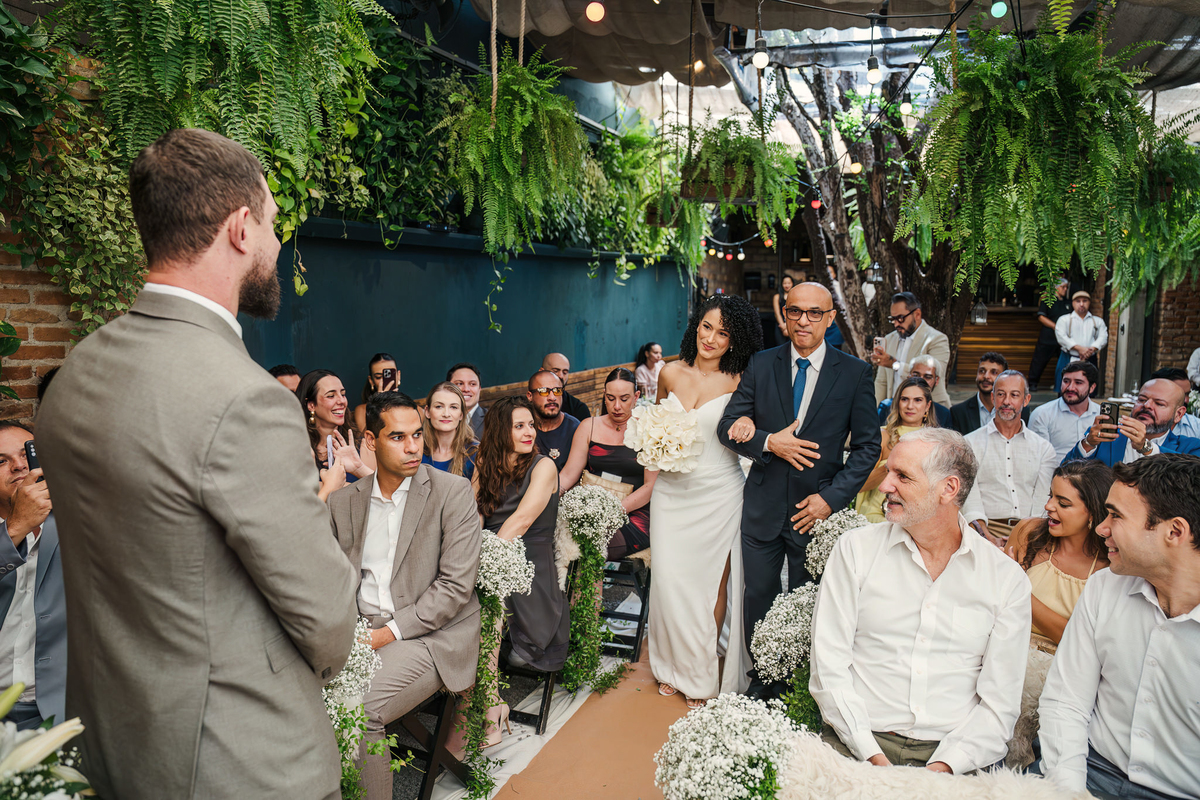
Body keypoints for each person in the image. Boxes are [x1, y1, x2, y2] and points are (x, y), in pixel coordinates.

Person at [34, 128, 358, 799]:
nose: (274, 244)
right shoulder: (245, 399)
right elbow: (328, 621)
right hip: (237, 761)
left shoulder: (75, 373)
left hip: (110, 740)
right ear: (240, 228)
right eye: (271, 225)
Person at [810, 427, 1031, 774]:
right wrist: (873, 758)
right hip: (857, 743)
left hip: (955, 754)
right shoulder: (855, 550)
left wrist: (941, 769)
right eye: (888, 472)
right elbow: (829, 669)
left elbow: (999, 705)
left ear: (949, 489)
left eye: (903, 476)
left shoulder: (1005, 579)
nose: (884, 486)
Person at [717, 283, 880, 693]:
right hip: (762, 507)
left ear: (830, 318)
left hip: (816, 510)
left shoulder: (856, 372)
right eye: (794, 312)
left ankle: (802, 688)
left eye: (813, 313)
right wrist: (770, 441)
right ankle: (763, 684)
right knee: (759, 601)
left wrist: (831, 499)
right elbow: (727, 426)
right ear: (784, 316)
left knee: (812, 602)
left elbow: (867, 447)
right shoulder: (760, 363)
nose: (803, 320)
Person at [327, 392, 481, 800]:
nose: (414, 447)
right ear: (371, 441)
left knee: (358, 711)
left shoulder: (453, 492)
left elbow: (454, 588)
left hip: (429, 636)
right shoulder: (345, 501)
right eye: (398, 437)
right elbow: (328, 581)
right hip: (360, 631)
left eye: (417, 434)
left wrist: (385, 634)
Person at [1039, 454, 1200, 800]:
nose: (1101, 528)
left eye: (1116, 515)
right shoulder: (1104, 587)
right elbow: (1065, 702)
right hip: (1090, 769)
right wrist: (1068, 792)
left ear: (1174, 531)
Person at [653, 294, 762, 707]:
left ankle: (699, 674)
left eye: (723, 332)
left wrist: (750, 421)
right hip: (670, 491)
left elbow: (755, 425)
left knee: (709, 583)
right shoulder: (669, 372)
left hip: (719, 491)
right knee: (668, 581)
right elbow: (653, 422)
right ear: (695, 325)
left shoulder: (741, 380)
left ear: (735, 341)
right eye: (707, 326)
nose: (712, 338)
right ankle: (668, 665)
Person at [474, 396, 569, 674]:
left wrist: (485, 561)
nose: (529, 432)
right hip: (490, 546)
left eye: (531, 425)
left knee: (516, 652)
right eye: (519, 426)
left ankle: (486, 678)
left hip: (528, 559)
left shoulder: (543, 466)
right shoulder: (484, 461)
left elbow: (522, 519)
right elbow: (475, 510)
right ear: (500, 430)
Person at [1004, 459, 1112, 651]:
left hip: (1062, 664)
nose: (1048, 506)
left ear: (1093, 513)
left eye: (1063, 503)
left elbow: (1084, 644)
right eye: (1050, 496)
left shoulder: (1109, 568)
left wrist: (1018, 591)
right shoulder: (1028, 532)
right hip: (1006, 644)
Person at [0, 422, 64, 731]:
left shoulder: (79, 526)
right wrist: (15, 529)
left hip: (61, 709)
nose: (19, 466)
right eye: (1, 460)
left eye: (28, 452)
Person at [560, 368, 657, 561]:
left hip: (636, 513)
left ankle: (588, 592)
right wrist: (549, 496)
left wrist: (611, 511)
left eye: (624, 398)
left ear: (636, 396)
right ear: (604, 396)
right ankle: (584, 592)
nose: (617, 406)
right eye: (611, 398)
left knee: (591, 544)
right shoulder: (589, 426)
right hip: (592, 510)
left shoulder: (649, 428)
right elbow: (568, 474)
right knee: (562, 537)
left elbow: (650, 486)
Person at [963, 371, 1059, 547]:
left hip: (1031, 531)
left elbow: (1042, 501)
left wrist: (1027, 537)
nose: (1006, 401)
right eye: (1001, 394)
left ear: (1026, 400)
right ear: (993, 398)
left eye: (1014, 395)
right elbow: (970, 499)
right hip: (985, 530)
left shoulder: (1043, 448)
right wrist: (985, 537)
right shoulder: (969, 443)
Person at [856, 377, 940, 523]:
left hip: (918, 516)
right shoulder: (882, 436)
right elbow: (861, 485)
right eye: (904, 399)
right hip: (877, 514)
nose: (910, 406)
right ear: (897, 403)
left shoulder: (936, 442)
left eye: (918, 400)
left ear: (928, 406)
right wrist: (892, 466)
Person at [1063, 377, 1200, 466]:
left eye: (1159, 403)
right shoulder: (1104, 435)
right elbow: (1064, 471)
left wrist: (1147, 448)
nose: (1146, 405)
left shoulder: (1190, 447)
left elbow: (1191, 481)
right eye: (1141, 399)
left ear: (1179, 414)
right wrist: (1087, 444)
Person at [870, 292, 952, 408]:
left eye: (900, 318)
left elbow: (933, 375)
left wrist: (895, 364)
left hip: (930, 411)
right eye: (893, 319)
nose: (896, 323)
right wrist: (874, 413)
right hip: (895, 412)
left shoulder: (937, 339)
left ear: (917, 314)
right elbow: (882, 382)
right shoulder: (890, 339)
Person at [297, 368, 374, 481]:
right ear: (311, 405)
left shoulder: (362, 446)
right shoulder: (300, 450)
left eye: (343, 394)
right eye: (331, 396)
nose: (342, 401)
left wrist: (359, 469)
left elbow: (381, 495)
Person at [1029, 360, 1102, 461]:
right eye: (1066, 381)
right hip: (1055, 475)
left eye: (1078, 383)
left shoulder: (1101, 415)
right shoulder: (1042, 414)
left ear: (1092, 388)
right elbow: (1036, 459)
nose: (1070, 387)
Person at [950, 352, 1029, 435]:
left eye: (994, 372)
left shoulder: (1020, 410)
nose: (986, 376)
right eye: (982, 371)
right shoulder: (959, 412)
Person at [1054, 289, 1107, 393]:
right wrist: (1080, 349)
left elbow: (1103, 337)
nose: (1081, 304)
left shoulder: (1097, 321)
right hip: (1068, 357)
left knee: (1089, 390)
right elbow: (1061, 337)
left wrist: (1090, 350)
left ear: (1089, 303)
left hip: (1090, 359)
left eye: (1085, 301)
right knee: (1065, 390)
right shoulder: (1064, 320)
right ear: (1073, 303)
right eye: (1078, 301)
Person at [876, 356, 952, 427]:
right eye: (916, 375)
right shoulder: (886, 407)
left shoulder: (943, 414)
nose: (921, 380)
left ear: (936, 380)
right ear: (909, 376)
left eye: (927, 377)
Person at [422, 382, 477, 479]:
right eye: (439, 406)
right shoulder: (416, 450)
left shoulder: (475, 453)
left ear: (461, 415)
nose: (446, 414)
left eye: (453, 407)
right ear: (427, 412)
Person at [527, 369, 580, 471]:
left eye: (557, 391)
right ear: (530, 396)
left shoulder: (574, 428)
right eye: (544, 391)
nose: (552, 397)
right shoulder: (523, 428)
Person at [1030, 278, 1072, 392]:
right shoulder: (1047, 300)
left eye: (1066, 287)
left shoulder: (1066, 302)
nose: (1065, 289)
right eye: (1063, 287)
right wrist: (1055, 326)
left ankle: (1063, 384)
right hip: (1048, 336)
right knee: (1040, 359)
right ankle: (1033, 383)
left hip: (1063, 338)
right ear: (1056, 288)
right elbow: (1041, 317)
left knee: (1064, 362)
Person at [350, 352, 399, 437]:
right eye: (379, 377)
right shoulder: (362, 411)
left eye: (389, 375)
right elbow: (364, 441)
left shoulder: (414, 410)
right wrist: (379, 404)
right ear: (371, 381)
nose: (384, 381)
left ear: (398, 376)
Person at [1150, 366, 1200, 439]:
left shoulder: (1196, 426)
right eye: (1181, 395)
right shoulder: (1143, 423)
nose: (1186, 400)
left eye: (1188, 394)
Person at [542, 352, 591, 421]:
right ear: (541, 372)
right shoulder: (529, 406)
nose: (561, 376)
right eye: (555, 371)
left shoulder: (578, 409)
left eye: (565, 372)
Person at [448, 362, 486, 439]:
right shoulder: (437, 420)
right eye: (459, 384)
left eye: (472, 384)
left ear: (479, 389)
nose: (466, 389)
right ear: (447, 388)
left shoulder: (493, 420)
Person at [771, 273, 795, 346]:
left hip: (793, 325)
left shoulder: (795, 296)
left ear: (792, 284)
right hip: (780, 325)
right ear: (781, 284)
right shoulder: (777, 297)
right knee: (780, 347)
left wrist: (788, 325)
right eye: (785, 283)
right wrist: (782, 325)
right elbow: (777, 313)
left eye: (788, 283)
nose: (787, 285)